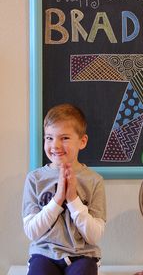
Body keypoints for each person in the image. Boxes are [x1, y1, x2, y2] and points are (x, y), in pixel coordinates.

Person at [22, 103, 106, 275]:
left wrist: (73, 200)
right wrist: (58, 199)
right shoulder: (35, 179)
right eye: (49, 138)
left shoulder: (94, 181)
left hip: (83, 256)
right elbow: (32, 231)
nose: (55, 145)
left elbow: (94, 236)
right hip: (44, 255)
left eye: (65, 138)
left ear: (82, 141)